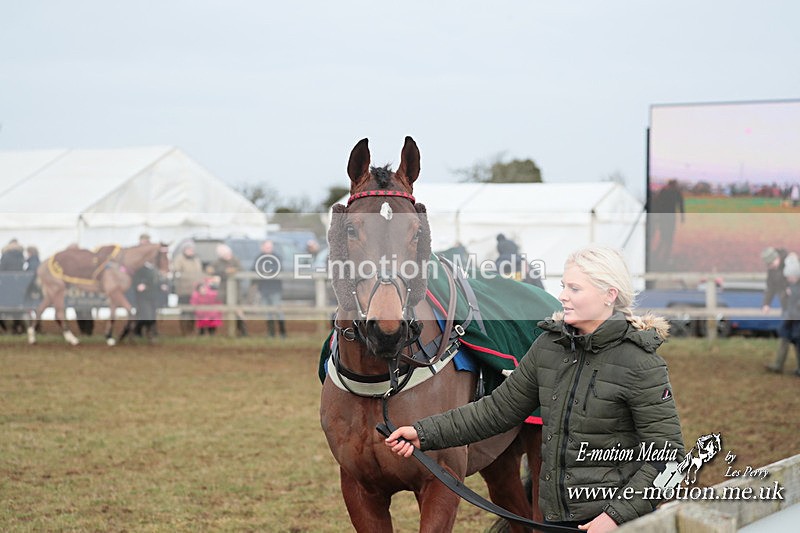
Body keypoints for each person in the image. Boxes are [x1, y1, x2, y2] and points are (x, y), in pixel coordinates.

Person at [385, 245, 684, 532]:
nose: (562, 296)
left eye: (574, 289)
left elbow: (668, 458)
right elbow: (496, 410)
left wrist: (616, 516)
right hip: (556, 520)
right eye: (564, 286)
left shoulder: (641, 363)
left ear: (610, 295)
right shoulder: (549, 347)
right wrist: (424, 433)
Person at [761, 247, 795, 373]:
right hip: (787, 307)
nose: (771, 266)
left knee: (795, 335)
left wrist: (793, 289)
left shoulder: (791, 263)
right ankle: (778, 365)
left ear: (777, 258)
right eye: (768, 265)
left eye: (772, 263)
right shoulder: (772, 271)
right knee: (786, 334)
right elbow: (770, 288)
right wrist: (766, 304)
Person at [771, 252, 800, 376]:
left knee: (798, 342)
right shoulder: (790, 285)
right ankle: (778, 365)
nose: (789, 279)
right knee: (784, 338)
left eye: (790, 277)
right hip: (790, 318)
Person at [211, 243, 248, 336]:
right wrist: (223, 271)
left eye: (228, 253)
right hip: (224, 290)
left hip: (236, 290)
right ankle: (228, 332)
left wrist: (234, 271)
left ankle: (243, 331)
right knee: (226, 311)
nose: (227, 256)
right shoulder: (218, 262)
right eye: (224, 254)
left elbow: (242, 271)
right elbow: (212, 270)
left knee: (238, 311)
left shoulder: (235, 260)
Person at [649, 180, 685, 266]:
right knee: (669, 238)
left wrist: (656, 217)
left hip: (663, 217)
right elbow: (681, 205)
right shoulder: (676, 192)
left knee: (663, 236)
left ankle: (659, 254)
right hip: (670, 218)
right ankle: (665, 256)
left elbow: (657, 203)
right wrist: (682, 216)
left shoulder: (663, 191)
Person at [255, 239, 286, 338]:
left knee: (278, 310)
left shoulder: (276, 257)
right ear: (262, 247)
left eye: (270, 247)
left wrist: (265, 271)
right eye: (267, 247)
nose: (268, 249)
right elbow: (254, 269)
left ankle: (282, 333)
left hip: (275, 289)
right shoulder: (259, 258)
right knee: (267, 312)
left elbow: (277, 269)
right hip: (264, 289)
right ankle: (271, 333)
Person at [172, 242, 204, 335]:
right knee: (185, 310)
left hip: (195, 291)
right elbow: (176, 271)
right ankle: (184, 330)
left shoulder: (196, 260)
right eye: (188, 249)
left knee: (193, 311)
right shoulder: (179, 259)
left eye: (192, 249)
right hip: (183, 290)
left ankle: (192, 329)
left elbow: (199, 273)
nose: (190, 251)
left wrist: (200, 285)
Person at [130, 260, 164, 341]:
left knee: (152, 315)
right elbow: (135, 280)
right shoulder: (140, 269)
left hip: (153, 296)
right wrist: (138, 285)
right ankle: (149, 334)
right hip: (143, 297)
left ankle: (138, 331)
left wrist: (161, 286)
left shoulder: (155, 269)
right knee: (147, 315)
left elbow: (156, 282)